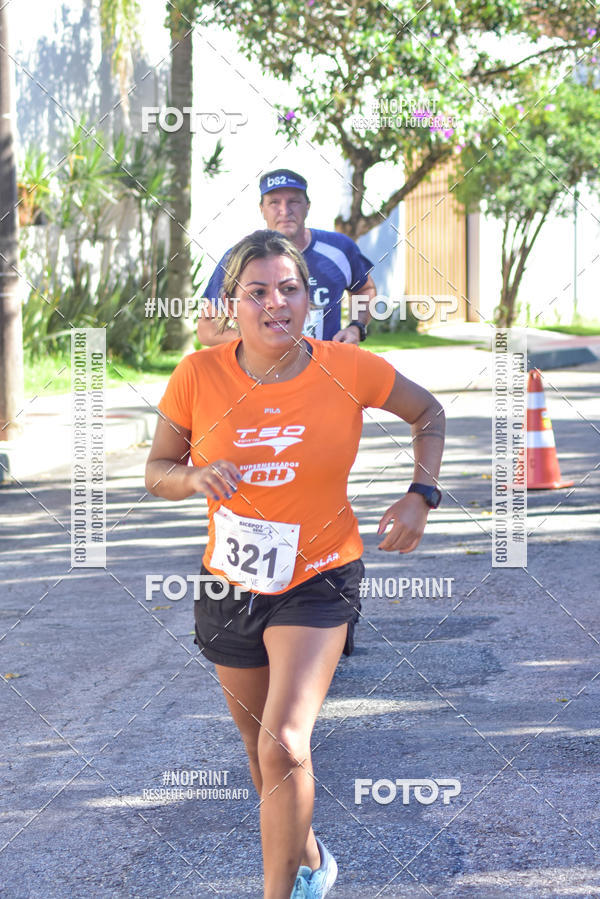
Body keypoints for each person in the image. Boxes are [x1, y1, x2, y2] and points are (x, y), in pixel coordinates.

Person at [146, 230, 445, 899]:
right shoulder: (199, 373)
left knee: (284, 742)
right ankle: (311, 859)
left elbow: (428, 412)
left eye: (290, 289)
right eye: (257, 291)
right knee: (264, 760)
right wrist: (194, 478)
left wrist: (420, 494)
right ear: (230, 303)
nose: (275, 303)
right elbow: (157, 469)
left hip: (319, 574)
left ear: (310, 299)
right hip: (230, 581)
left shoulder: (347, 366)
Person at [196, 168, 376, 347]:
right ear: (262, 209)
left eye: (294, 202)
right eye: (274, 202)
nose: (285, 210)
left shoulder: (339, 249)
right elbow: (207, 330)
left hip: (326, 369)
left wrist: (356, 327)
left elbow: (364, 290)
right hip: (263, 373)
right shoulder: (238, 259)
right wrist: (262, 338)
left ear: (307, 206)